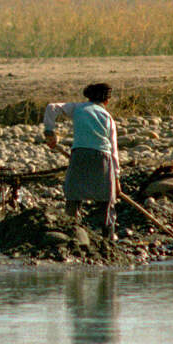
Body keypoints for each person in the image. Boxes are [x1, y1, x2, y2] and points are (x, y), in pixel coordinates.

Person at [43, 83, 120, 239]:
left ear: (89, 97)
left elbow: (52, 107)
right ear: (106, 102)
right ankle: (108, 236)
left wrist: (49, 133)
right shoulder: (108, 118)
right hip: (102, 157)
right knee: (107, 198)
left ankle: (70, 229)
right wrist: (116, 178)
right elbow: (113, 151)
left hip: (79, 155)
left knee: (74, 194)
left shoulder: (78, 108)